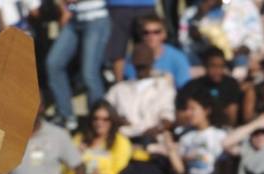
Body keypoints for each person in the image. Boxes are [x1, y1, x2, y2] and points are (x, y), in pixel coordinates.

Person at [45, 0, 111, 133]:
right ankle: (66, 115)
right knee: (53, 64)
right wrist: (63, 8)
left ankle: (98, 121)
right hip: (74, 19)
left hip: (96, 18)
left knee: (89, 73)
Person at [105, 42, 176, 141]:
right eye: (138, 66)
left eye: (144, 65)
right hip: (123, 138)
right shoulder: (118, 89)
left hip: (152, 139)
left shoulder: (163, 87)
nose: (141, 69)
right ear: (133, 63)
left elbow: (168, 116)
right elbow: (104, 110)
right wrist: (116, 119)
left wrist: (157, 129)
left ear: (152, 62)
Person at [68, 100, 132, 174]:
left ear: (112, 121)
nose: (99, 123)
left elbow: (119, 173)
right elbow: (63, 170)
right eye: (96, 118)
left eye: (105, 119)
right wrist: (75, 156)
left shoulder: (120, 142)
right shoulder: (79, 139)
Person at [176, 46, 242, 128]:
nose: (217, 70)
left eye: (221, 66)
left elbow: (232, 115)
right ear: (205, 65)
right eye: (213, 66)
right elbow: (180, 115)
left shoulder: (231, 84)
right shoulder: (192, 86)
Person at [123, 14, 192, 89]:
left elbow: (184, 88)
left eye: (156, 32)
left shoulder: (178, 58)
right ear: (141, 35)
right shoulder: (133, 58)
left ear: (164, 34)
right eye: (146, 32)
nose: (151, 36)